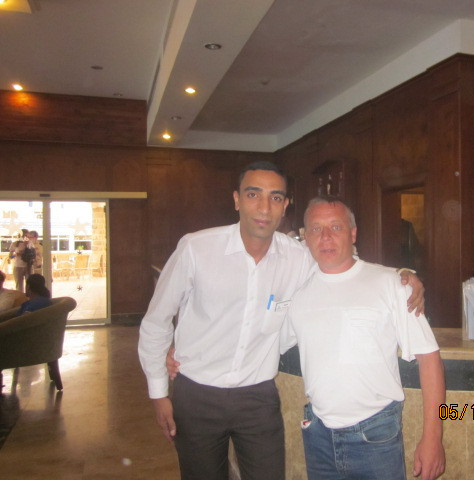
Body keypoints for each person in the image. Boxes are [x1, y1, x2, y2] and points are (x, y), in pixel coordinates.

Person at [139, 161, 425, 480]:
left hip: (258, 399)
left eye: (275, 197)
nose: (264, 207)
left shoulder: (298, 257)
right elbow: (156, 321)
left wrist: (402, 275)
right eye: (253, 195)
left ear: (285, 205)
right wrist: (158, 393)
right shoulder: (197, 248)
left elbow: (345, 261)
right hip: (197, 394)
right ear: (236, 199)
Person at [279, 197, 445, 480]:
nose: (326, 237)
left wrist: (433, 438)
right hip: (318, 434)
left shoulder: (392, 284)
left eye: (336, 227)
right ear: (305, 238)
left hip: (375, 435)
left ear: (353, 233)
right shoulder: (297, 293)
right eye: (316, 229)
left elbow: (429, 359)